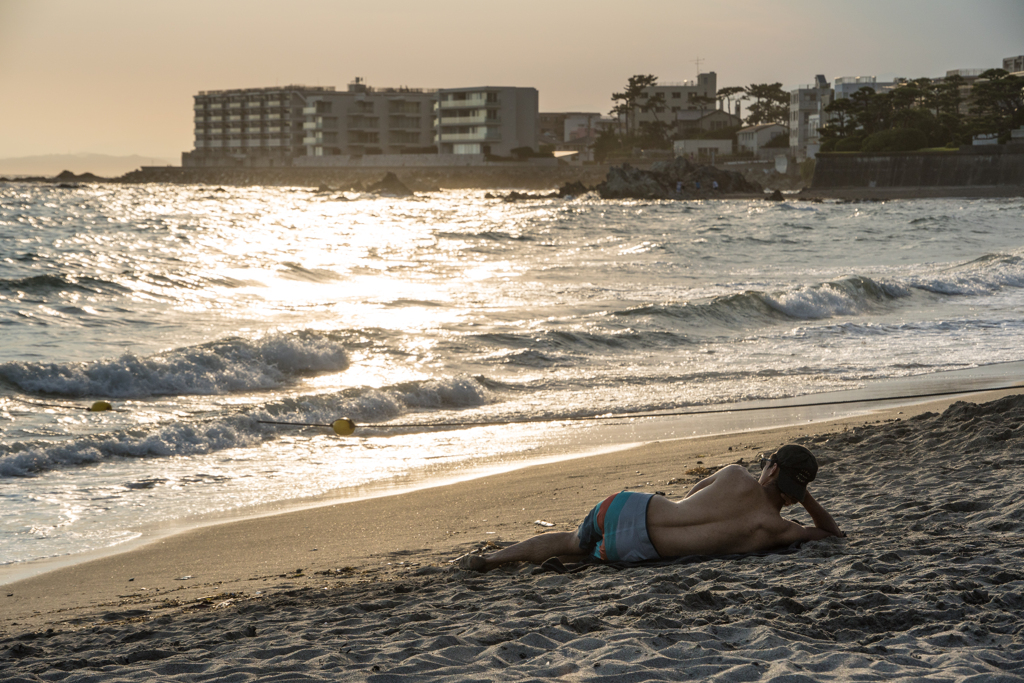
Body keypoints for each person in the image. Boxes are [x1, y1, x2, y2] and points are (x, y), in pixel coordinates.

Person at [457, 444, 844, 572]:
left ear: (771, 468)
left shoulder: (734, 474)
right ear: (795, 491)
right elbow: (831, 533)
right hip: (639, 549)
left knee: (572, 539)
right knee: (593, 554)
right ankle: (571, 562)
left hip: (629, 506)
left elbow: (693, 493)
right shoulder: (777, 530)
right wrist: (804, 497)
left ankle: (490, 561)